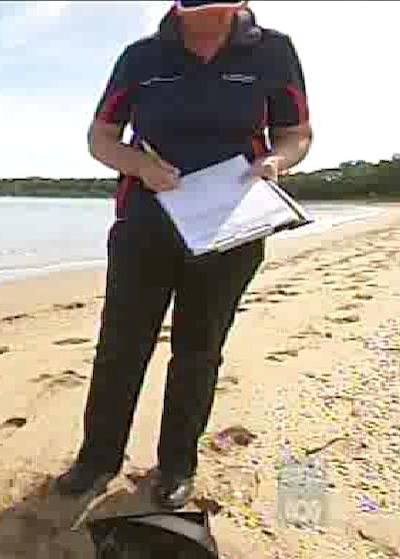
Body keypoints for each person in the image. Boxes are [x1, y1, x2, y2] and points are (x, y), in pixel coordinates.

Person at [55, 0, 312, 510]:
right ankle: (97, 458)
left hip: (231, 224)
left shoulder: (274, 51)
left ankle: (176, 465)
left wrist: (276, 161)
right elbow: (101, 138)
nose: (213, 19)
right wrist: (140, 167)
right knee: (121, 347)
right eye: (201, 9)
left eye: (223, 8)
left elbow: (296, 133)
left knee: (199, 351)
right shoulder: (141, 57)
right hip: (146, 220)